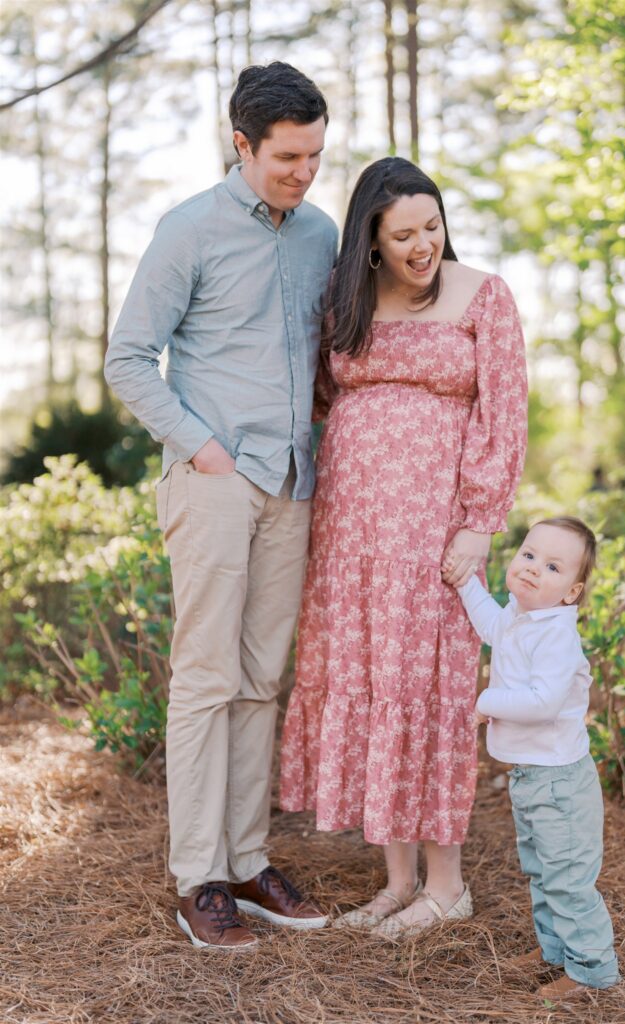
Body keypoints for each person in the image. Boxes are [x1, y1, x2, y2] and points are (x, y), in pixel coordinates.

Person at [104, 62, 339, 949]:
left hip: (292, 482)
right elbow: (129, 358)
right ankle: (197, 875)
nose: (304, 173)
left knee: (260, 679)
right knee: (205, 681)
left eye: (315, 156)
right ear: (240, 144)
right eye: (286, 157)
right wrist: (201, 448)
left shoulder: (318, 233)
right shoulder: (188, 229)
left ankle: (246, 860)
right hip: (212, 480)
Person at [279, 157, 528, 937]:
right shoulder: (347, 301)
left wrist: (480, 521)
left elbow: (506, 412)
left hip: (434, 530)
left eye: (433, 226)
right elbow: (320, 393)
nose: (423, 245)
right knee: (373, 679)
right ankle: (396, 882)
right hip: (351, 529)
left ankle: (446, 886)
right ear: (372, 242)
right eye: (404, 235)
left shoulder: (481, 294)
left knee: (428, 687)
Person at [445, 516, 619, 1000]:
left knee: (567, 880)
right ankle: (555, 952)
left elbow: (543, 703)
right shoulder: (521, 617)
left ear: (571, 592)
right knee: (543, 872)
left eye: (552, 566)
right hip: (534, 777)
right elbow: (488, 624)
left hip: (560, 783)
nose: (533, 568)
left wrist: (486, 703)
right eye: (528, 555)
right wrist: (466, 583)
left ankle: (591, 971)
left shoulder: (556, 635)